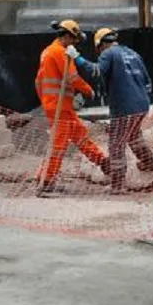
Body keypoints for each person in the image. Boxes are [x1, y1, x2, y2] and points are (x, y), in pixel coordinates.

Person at [66, 28, 153, 193]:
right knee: (134, 136)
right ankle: (149, 163)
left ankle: (118, 185)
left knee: (116, 144)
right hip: (142, 105)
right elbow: (148, 82)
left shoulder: (108, 54)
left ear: (101, 45)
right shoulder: (133, 54)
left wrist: (77, 57)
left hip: (125, 107)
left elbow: (96, 71)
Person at [35, 19, 110, 196]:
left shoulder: (47, 52)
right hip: (59, 106)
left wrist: (45, 101)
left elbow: (38, 81)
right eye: (74, 39)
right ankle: (46, 182)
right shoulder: (59, 53)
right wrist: (88, 90)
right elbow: (72, 78)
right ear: (68, 36)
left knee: (80, 135)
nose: (75, 44)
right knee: (58, 144)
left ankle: (104, 163)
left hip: (58, 105)